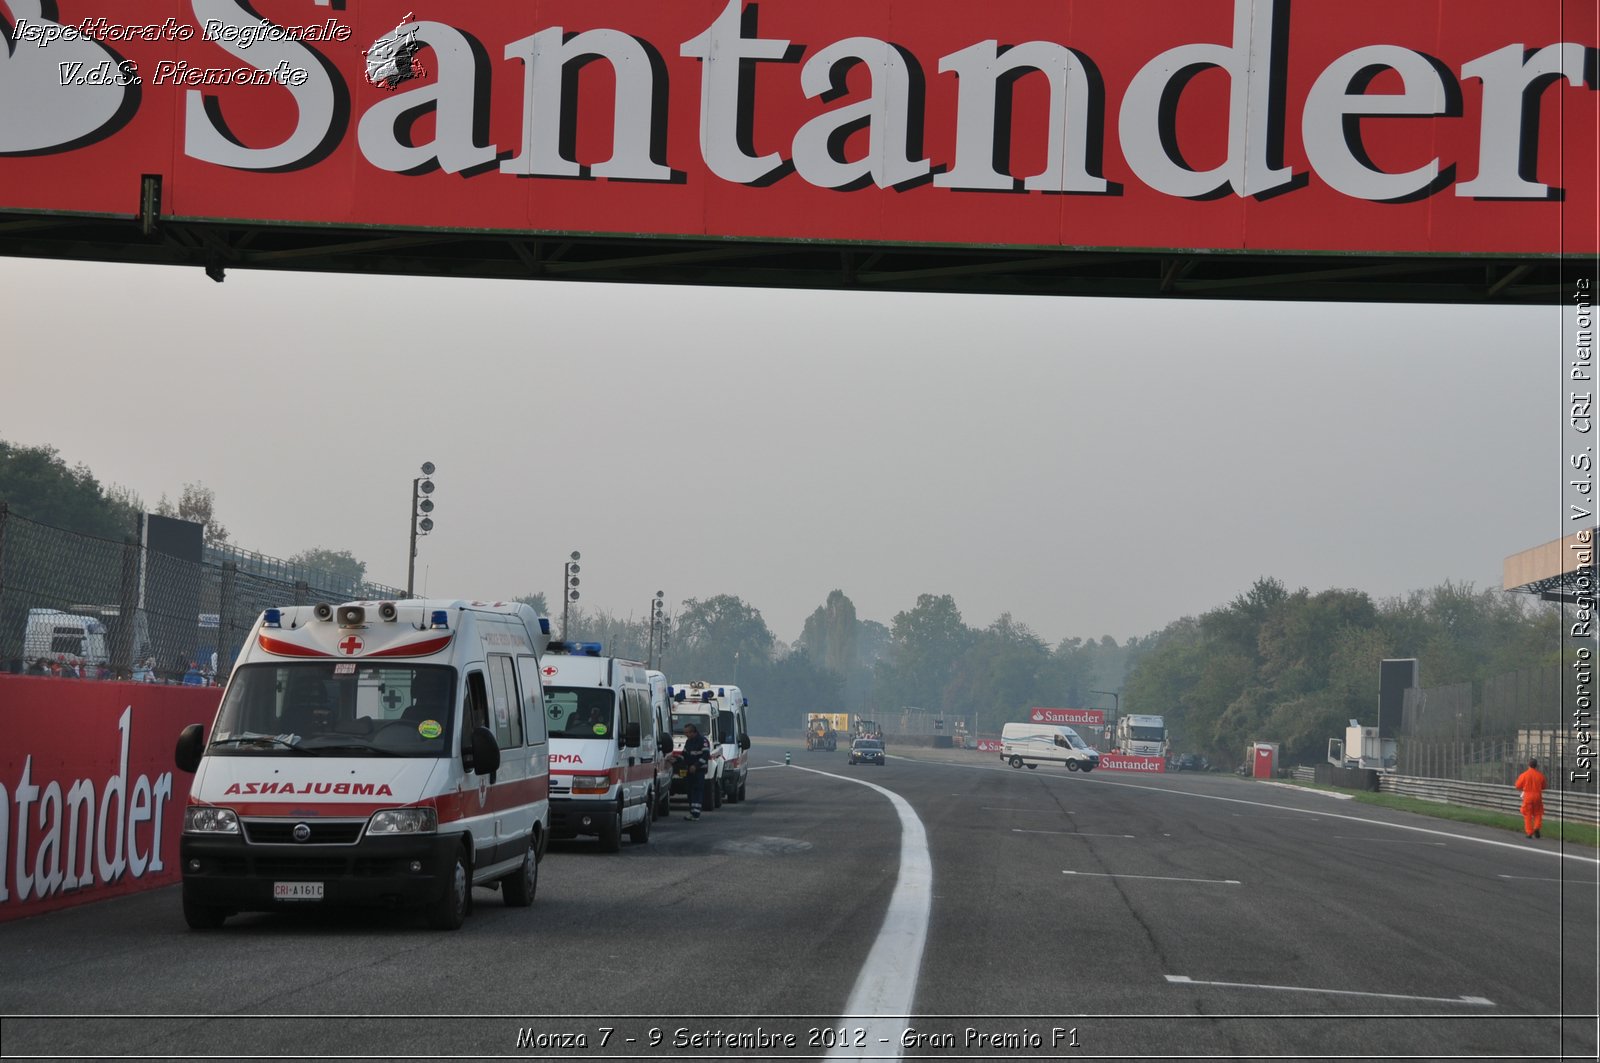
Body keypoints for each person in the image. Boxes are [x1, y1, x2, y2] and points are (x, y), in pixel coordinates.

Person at [679, 722, 711, 820]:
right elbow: (685, 754)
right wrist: (676, 759)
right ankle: (692, 811)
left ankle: (696, 813)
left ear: (693, 732)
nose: (686, 735)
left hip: (699, 771)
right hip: (690, 770)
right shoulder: (689, 741)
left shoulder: (703, 741)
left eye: (687, 733)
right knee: (690, 791)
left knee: (697, 790)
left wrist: (696, 766)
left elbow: (705, 755)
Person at [1515, 757, 1547, 839]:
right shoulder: (1540, 775)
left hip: (1528, 796)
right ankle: (1536, 827)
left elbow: (1517, 786)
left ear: (1528, 765)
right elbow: (1544, 786)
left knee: (1527, 814)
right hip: (1537, 796)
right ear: (1536, 766)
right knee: (1538, 813)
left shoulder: (1524, 775)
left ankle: (1529, 832)